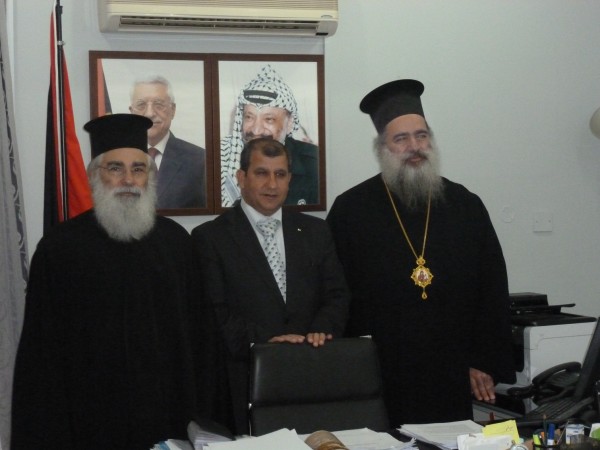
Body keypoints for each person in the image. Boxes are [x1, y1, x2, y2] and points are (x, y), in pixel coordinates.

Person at [11, 114, 217, 449]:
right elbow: (41, 356)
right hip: (88, 422)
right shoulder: (59, 249)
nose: (128, 180)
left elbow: (199, 342)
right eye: (115, 168)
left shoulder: (176, 244)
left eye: (138, 169)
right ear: (95, 175)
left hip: (166, 419)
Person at [326, 79, 516, 426]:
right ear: (382, 147)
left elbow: (492, 290)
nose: (414, 147)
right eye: (401, 139)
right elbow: (334, 293)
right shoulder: (350, 211)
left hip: (452, 371)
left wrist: (483, 361)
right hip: (378, 374)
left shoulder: (465, 205)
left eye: (421, 135)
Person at [192, 137, 349, 434]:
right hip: (245, 381)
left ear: (290, 180)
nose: (272, 185)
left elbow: (337, 295)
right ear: (241, 178)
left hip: (312, 373)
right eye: (262, 173)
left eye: (280, 174)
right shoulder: (210, 238)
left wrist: (321, 330)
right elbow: (215, 313)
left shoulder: (316, 231)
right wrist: (270, 342)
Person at [220, 64, 319, 207]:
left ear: (289, 123)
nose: (256, 130)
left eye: (269, 119)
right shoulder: (220, 157)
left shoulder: (314, 163)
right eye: (249, 117)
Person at [129, 74, 207, 209]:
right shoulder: (117, 159)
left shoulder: (200, 160)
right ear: (131, 112)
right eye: (141, 105)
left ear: (173, 110)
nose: (149, 113)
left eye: (159, 104)